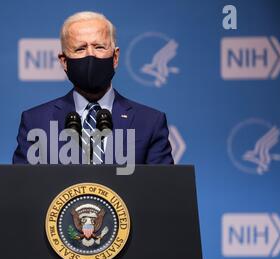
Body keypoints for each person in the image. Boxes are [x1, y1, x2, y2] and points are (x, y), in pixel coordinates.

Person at [13, 11, 173, 165]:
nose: (91, 55)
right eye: (80, 49)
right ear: (64, 61)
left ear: (115, 57)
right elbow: (23, 189)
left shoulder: (150, 122)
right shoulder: (36, 122)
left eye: (99, 47)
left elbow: (162, 189)